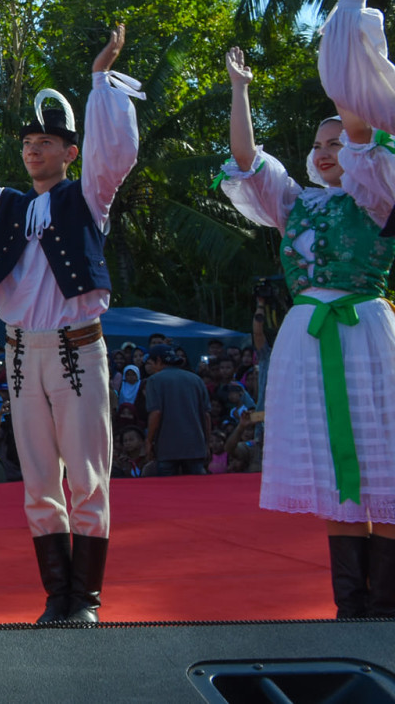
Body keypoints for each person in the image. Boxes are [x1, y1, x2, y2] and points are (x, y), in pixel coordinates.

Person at [0, 26, 140, 625]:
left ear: (70, 153)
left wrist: (100, 79)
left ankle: (85, 599)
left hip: (77, 350)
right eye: (28, 143)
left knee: (87, 476)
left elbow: (114, 155)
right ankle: (57, 596)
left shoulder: (89, 197)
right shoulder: (5, 207)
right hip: (20, 355)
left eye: (46, 142)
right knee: (39, 480)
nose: (33, 150)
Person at [220, 36, 395, 618]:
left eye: (335, 142)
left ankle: (386, 603)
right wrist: (240, 91)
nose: (324, 153)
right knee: (332, 472)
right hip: (309, 337)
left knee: (382, 464)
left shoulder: (379, 195)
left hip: (364, 329)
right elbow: (246, 158)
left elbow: (366, 139)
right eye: (318, 145)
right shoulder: (296, 204)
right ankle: (351, 606)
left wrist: (348, 68)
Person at [142, 347, 211, 476]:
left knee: (168, 487)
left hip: (167, 447)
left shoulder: (154, 380)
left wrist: (149, 441)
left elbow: (156, 413)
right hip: (195, 446)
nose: (149, 367)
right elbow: (206, 415)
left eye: (150, 363)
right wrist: (207, 442)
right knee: (196, 486)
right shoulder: (196, 380)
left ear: (158, 360)